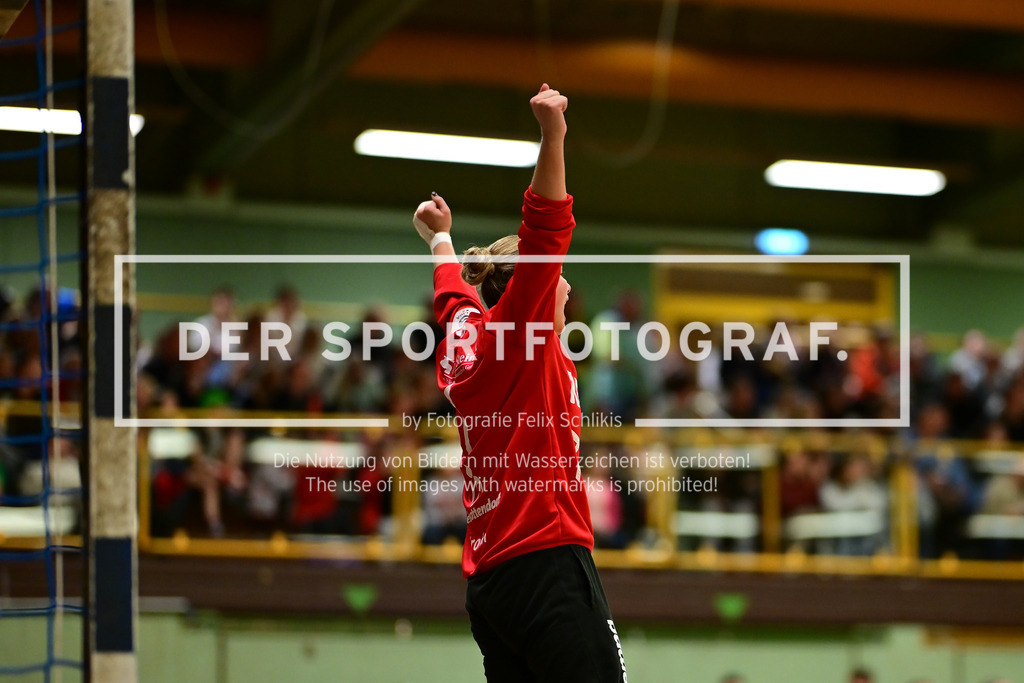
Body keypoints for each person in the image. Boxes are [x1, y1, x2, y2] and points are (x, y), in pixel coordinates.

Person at [413, 84, 628, 682]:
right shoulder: (524, 338)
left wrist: (440, 240)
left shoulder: (468, 343)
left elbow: (453, 299)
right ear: (530, 289)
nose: (565, 286)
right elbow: (546, 225)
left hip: (491, 583)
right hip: (546, 562)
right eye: (557, 279)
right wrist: (552, 135)